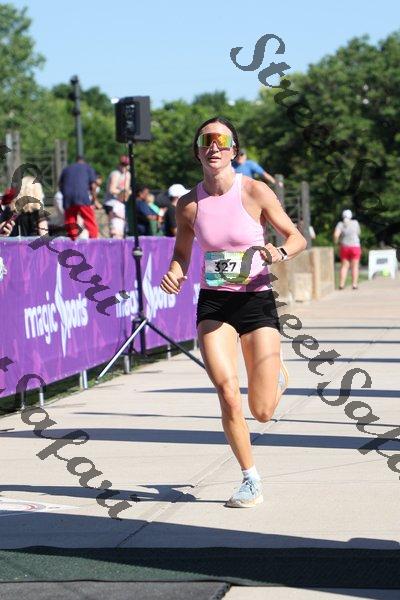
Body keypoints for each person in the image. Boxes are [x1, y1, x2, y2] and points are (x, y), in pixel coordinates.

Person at [160, 117, 307, 508]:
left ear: (234, 151)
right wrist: (175, 272)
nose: (214, 146)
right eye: (206, 140)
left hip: (256, 301)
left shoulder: (255, 191)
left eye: (221, 140)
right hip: (214, 303)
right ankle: (250, 479)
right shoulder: (188, 204)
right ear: (197, 152)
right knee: (226, 391)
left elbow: (297, 237)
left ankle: (274, 375)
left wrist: (278, 252)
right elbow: (181, 254)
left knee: (262, 411)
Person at [59, 156, 99, 240]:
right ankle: (94, 239)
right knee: (89, 219)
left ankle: (72, 240)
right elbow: (93, 185)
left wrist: (66, 195)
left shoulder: (66, 169)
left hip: (68, 196)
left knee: (70, 219)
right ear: (84, 161)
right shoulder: (87, 168)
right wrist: (94, 199)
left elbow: (60, 185)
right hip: (82, 196)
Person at [333, 209, 362, 290]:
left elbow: (336, 235)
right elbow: (358, 233)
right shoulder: (355, 223)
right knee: (355, 266)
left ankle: (341, 284)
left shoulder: (340, 224)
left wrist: (336, 242)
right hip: (355, 246)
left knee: (344, 266)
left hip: (345, 247)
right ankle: (354, 284)